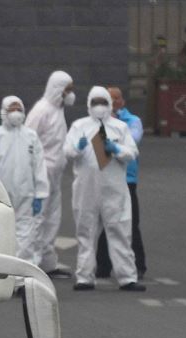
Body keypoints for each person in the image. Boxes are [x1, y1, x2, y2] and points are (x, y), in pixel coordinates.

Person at [68, 86, 144, 291]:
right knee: (86, 230)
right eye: (96, 103)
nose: (100, 107)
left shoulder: (120, 127)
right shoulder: (79, 126)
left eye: (103, 102)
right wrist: (79, 147)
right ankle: (84, 276)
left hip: (114, 187)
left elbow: (132, 152)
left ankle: (127, 277)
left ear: (109, 104)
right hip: (87, 187)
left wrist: (117, 149)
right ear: (89, 104)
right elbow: (67, 151)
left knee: (119, 229)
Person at [0, 95, 49, 267]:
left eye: (19, 109)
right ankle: (2, 273)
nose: (16, 113)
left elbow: (39, 166)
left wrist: (40, 193)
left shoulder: (31, 136)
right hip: (0, 196)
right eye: (12, 109)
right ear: (4, 112)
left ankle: (21, 276)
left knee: (26, 235)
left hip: (26, 194)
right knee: (1, 234)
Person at [26, 70, 76, 278]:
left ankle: (47, 263)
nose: (71, 94)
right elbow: (27, 140)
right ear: (58, 89)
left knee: (52, 218)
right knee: (38, 219)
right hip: (41, 173)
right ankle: (32, 264)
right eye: (68, 90)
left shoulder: (57, 110)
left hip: (55, 174)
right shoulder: (41, 111)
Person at [96, 85, 147, 281]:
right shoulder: (98, 122)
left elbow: (133, 141)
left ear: (122, 101)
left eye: (116, 98)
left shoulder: (132, 121)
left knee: (131, 222)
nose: (114, 102)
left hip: (128, 179)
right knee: (104, 222)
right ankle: (103, 266)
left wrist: (114, 143)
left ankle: (138, 265)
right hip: (106, 179)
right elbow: (99, 151)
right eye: (109, 99)